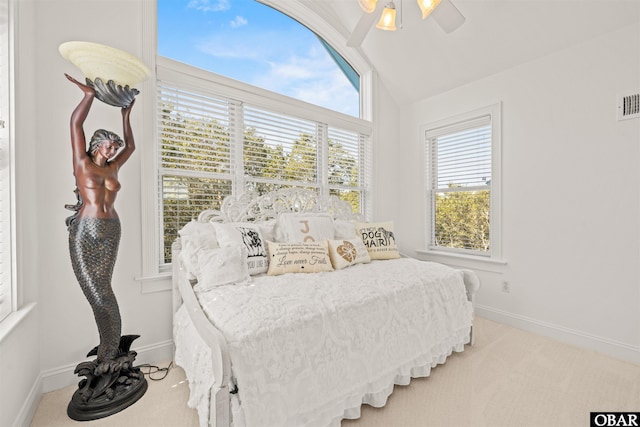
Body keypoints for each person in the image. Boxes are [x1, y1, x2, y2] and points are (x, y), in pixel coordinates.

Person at [65, 73, 135, 366]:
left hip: (110, 230)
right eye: (109, 146)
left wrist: (126, 115)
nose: (114, 150)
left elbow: (131, 146)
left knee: (104, 288)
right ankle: (109, 349)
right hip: (85, 231)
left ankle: (110, 351)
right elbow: (75, 125)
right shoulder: (82, 163)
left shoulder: (114, 167)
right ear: (97, 144)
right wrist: (88, 96)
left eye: (114, 148)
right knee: (96, 291)